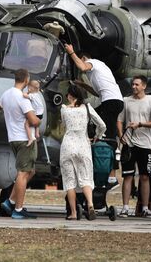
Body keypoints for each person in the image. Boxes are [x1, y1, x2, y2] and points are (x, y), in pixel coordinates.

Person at [64, 45, 124, 188]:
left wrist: (71, 52)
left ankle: (111, 176)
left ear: (84, 58)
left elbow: (83, 67)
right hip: (114, 101)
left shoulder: (95, 63)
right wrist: (83, 85)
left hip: (111, 102)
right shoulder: (100, 71)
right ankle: (94, 148)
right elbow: (98, 92)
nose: (79, 67)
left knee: (107, 136)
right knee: (92, 117)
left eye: (80, 61)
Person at [0, 69, 41, 219]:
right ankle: (18, 209)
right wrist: (39, 121)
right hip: (25, 140)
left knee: (30, 171)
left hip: (13, 139)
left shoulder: (6, 94)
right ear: (26, 80)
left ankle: (10, 202)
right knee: (23, 174)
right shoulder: (23, 98)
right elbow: (33, 120)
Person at [116, 75, 151, 218]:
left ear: (144, 86)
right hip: (129, 144)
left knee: (144, 176)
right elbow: (119, 120)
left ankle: (145, 207)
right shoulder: (126, 101)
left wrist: (141, 124)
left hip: (146, 145)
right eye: (133, 84)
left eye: (137, 84)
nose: (134, 87)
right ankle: (125, 207)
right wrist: (121, 136)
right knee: (128, 176)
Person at [60, 84, 106, 221]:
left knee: (70, 182)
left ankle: (73, 212)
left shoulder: (64, 109)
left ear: (69, 95)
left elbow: (64, 125)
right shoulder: (86, 108)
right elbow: (102, 125)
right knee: (85, 178)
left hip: (68, 145)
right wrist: (97, 135)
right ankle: (90, 205)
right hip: (83, 145)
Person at [23, 79, 44, 146]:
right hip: (41, 114)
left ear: (30, 88)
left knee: (26, 124)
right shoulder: (38, 95)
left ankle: (30, 138)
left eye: (28, 87)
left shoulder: (32, 95)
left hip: (36, 113)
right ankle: (37, 134)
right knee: (37, 123)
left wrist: (27, 92)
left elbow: (24, 95)